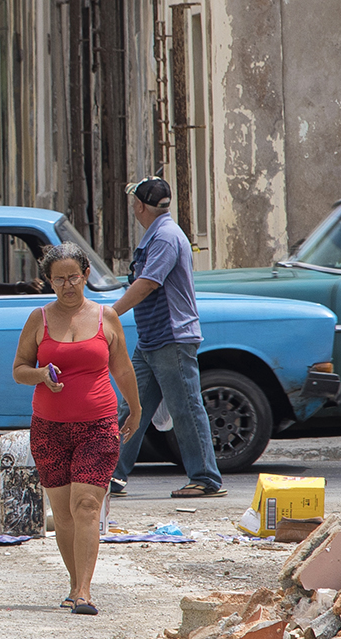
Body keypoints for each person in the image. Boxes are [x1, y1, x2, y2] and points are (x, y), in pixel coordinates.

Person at [13, 242, 140, 616]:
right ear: (48, 283)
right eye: (58, 280)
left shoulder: (107, 318)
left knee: (86, 505)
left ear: (86, 274)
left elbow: (122, 368)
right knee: (63, 513)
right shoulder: (39, 319)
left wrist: (135, 408)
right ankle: (74, 584)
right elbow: (19, 369)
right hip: (49, 429)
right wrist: (40, 374)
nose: (68, 285)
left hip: (98, 425)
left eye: (73, 277)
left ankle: (84, 592)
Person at [110, 177, 225, 499]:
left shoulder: (164, 236)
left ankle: (205, 478)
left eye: (134, 201)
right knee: (131, 408)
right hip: (152, 339)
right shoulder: (157, 234)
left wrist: (110, 313)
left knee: (186, 408)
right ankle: (111, 475)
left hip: (171, 338)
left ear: (140, 206)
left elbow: (147, 283)